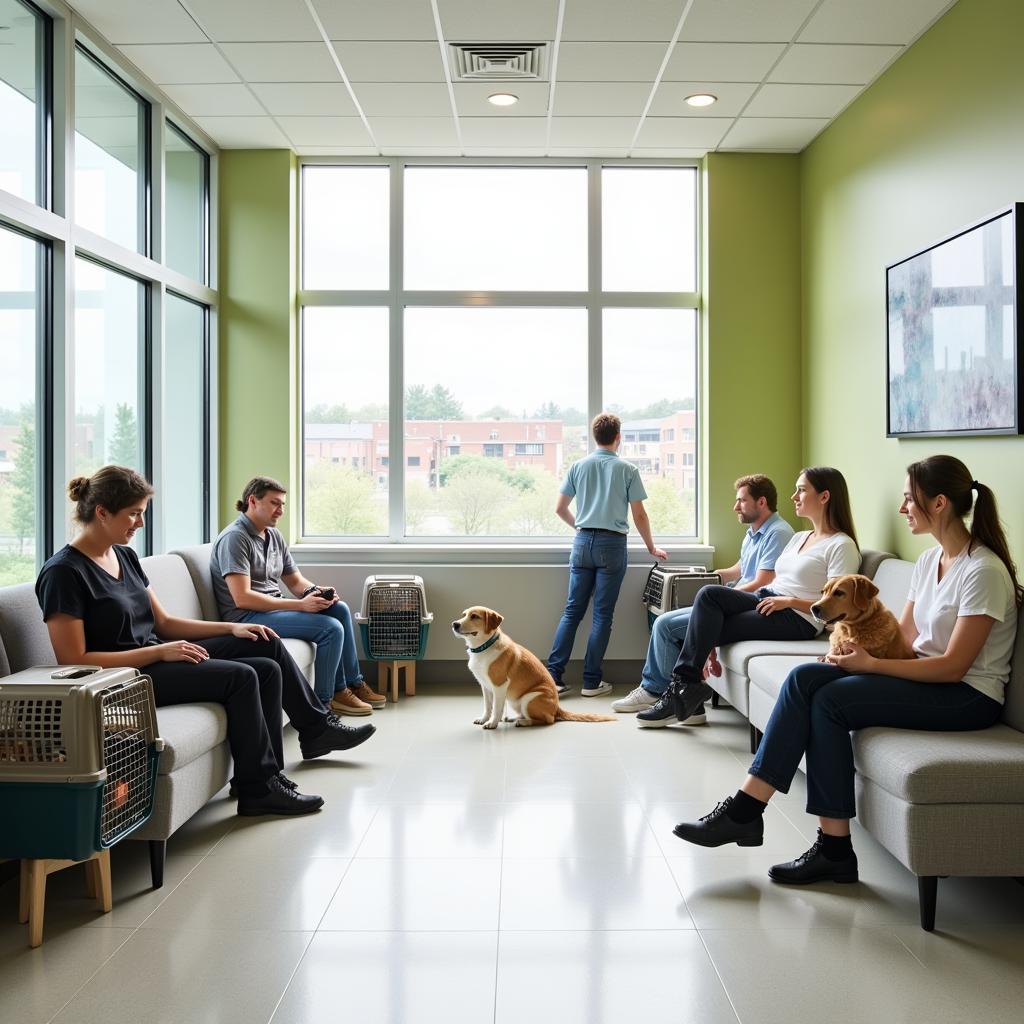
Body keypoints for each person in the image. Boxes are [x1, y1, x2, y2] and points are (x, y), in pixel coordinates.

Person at [673, 456, 1020, 886]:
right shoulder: (931, 562)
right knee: (807, 679)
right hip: (922, 675)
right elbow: (906, 640)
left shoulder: (982, 571)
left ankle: (757, 817)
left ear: (939, 504)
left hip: (967, 697)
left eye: (909, 499)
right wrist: (850, 656)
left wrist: (872, 666)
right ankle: (818, 842)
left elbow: (954, 667)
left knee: (830, 701)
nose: (902, 508)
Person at [35, 466, 376, 818]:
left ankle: (278, 767)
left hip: (159, 655)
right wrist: (161, 651)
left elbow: (164, 622)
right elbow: (74, 659)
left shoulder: (124, 556)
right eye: (134, 514)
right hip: (125, 679)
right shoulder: (64, 573)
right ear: (102, 512)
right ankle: (258, 790)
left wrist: (230, 629)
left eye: (142, 514)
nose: (140, 523)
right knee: (244, 676)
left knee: (265, 646)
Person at [637, 466, 860, 726]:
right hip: (769, 600)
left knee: (710, 623)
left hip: (797, 618)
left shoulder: (841, 546)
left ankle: (680, 691)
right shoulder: (800, 537)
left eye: (801, 490)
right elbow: (768, 580)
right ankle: (687, 687)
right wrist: (708, 643)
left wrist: (789, 602)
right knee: (709, 594)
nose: (794, 497)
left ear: (824, 497)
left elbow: (839, 607)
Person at [612, 473, 794, 723]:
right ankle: (693, 707)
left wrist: (721, 596)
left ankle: (654, 690)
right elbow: (741, 569)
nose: (735, 507)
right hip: (736, 600)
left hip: (747, 605)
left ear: (761, 502)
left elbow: (764, 581)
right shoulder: (754, 532)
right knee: (667, 619)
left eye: (741, 501)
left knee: (666, 626)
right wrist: (713, 575)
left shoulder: (778, 533)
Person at [210, 476, 386, 716]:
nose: (280, 511)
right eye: (275, 503)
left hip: (273, 610)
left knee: (339, 609)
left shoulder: (273, 535)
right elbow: (242, 598)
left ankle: (353, 682)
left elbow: (295, 581)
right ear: (252, 501)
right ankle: (325, 703)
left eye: (282, 504)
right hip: (247, 617)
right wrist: (301, 606)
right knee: (330, 629)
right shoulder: (235, 538)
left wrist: (317, 593)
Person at [546, 412, 667, 698]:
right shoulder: (627, 470)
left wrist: (583, 526)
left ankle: (554, 678)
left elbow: (560, 508)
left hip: (582, 541)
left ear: (594, 436)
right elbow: (639, 513)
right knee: (602, 615)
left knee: (572, 611)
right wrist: (651, 546)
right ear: (618, 437)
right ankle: (591, 682)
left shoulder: (578, 466)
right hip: (612, 546)